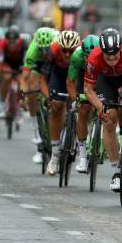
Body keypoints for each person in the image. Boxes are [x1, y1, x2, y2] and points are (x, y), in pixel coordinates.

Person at [84, 28, 122, 191]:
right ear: (102, 52)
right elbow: (88, 89)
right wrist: (101, 109)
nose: (112, 59)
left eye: (115, 55)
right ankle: (117, 172)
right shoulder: (94, 58)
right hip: (105, 83)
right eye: (108, 56)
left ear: (121, 49)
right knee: (108, 120)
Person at [43, 30, 81, 176]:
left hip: (76, 74)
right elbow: (43, 79)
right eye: (64, 50)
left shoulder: (81, 53)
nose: (67, 55)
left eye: (70, 51)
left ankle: (79, 139)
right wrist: (48, 98)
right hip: (58, 75)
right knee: (56, 107)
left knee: (82, 106)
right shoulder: (52, 51)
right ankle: (54, 154)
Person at [20, 27, 58, 163]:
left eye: (45, 49)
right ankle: (37, 135)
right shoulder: (33, 50)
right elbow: (24, 77)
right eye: (40, 49)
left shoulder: (57, 46)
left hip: (54, 63)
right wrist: (22, 96)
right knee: (31, 87)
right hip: (39, 65)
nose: (43, 52)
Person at [66, 34, 98, 173]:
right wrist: (76, 100)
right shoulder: (77, 57)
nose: (88, 59)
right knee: (83, 109)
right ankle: (83, 154)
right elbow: (70, 82)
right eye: (87, 57)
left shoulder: (103, 57)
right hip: (83, 80)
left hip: (99, 79)